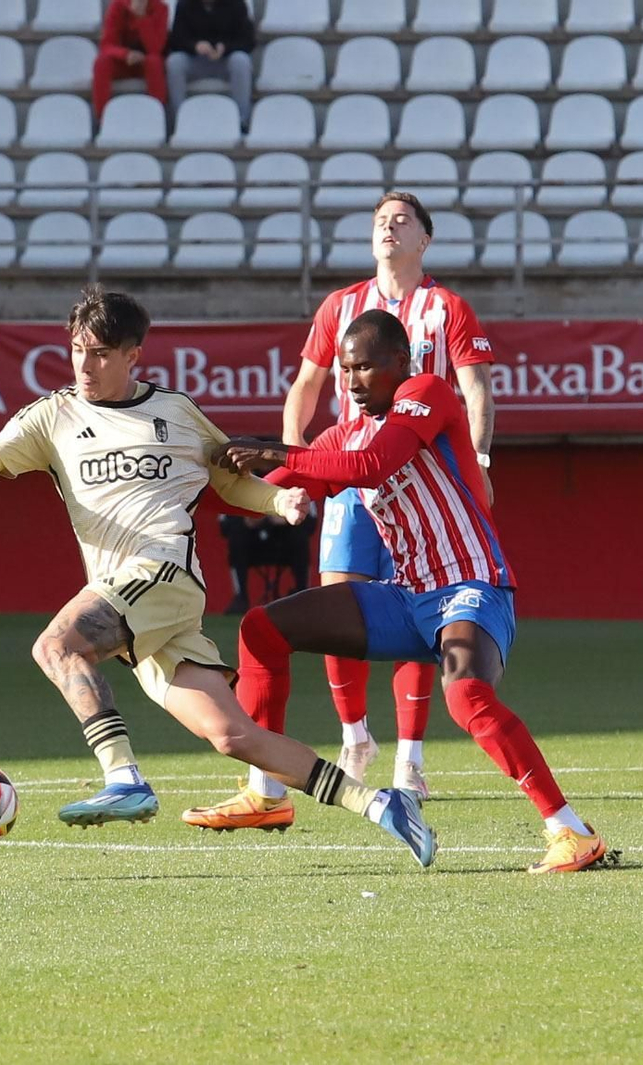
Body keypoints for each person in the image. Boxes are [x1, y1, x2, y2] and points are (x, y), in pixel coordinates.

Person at [0, 286, 436, 868]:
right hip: (136, 602)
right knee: (234, 736)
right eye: (79, 349)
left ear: (134, 356)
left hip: (162, 571)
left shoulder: (176, 414)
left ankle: (123, 776)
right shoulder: (51, 417)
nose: (86, 364)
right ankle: (381, 804)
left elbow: (228, 477)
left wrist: (279, 501)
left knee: (56, 645)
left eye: (102, 352)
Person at [188, 309, 608, 875]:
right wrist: (177, 485)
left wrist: (279, 450)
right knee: (262, 629)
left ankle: (570, 830)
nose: (353, 382)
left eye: (364, 367)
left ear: (399, 363)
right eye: (344, 371)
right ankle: (266, 795)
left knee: (466, 698)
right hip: (403, 599)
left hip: (470, 585)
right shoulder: (344, 434)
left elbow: (373, 464)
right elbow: (257, 492)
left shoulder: (428, 392)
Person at [184, 190, 496, 829]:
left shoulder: (447, 309)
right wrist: (291, 472)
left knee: (421, 599)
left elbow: (474, 390)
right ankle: (355, 735)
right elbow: (304, 386)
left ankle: (409, 755)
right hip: (352, 474)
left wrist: (480, 460)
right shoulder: (339, 306)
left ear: (425, 240)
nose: (389, 225)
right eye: (380, 218)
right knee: (340, 597)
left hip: (418, 480)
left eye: (403, 219)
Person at [165, 0, 255, 128]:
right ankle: (179, 119)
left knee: (241, 61)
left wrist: (225, 48)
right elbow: (176, 40)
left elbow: (248, 41)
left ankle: (242, 120)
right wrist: (194, 46)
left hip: (225, 61)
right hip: (196, 60)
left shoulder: (237, 4)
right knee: (174, 62)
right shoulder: (184, 4)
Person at [219, 510, 312, 613]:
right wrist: (248, 519)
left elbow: (312, 523)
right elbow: (224, 525)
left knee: (300, 535)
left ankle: (303, 594)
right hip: (251, 543)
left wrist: (288, 519)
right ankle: (240, 597)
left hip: (284, 541)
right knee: (237, 536)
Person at [92, 0, 168, 122]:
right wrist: (125, 54)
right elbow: (107, 44)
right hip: (122, 62)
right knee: (102, 63)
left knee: (154, 62)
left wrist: (141, 17)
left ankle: (158, 117)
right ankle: (102, 118)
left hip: (146, 62)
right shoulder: (117, 6)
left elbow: (156, 48)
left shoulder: (160, 8)